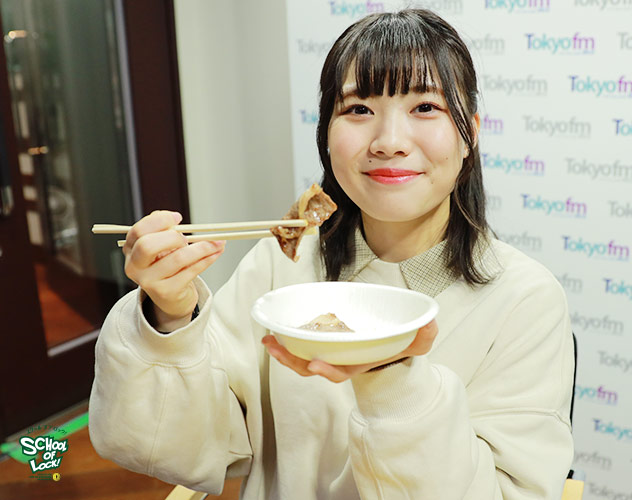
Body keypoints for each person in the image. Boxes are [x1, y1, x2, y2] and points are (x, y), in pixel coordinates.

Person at [89, 9, 574, 500]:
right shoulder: (285, 262)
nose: (389, 142)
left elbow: (511, 491)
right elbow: (200, 441)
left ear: (470, 133)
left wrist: (392, 379)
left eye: (425, 107)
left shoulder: (525, 299)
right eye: (358, 109)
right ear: (325, 131)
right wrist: (170, 317)